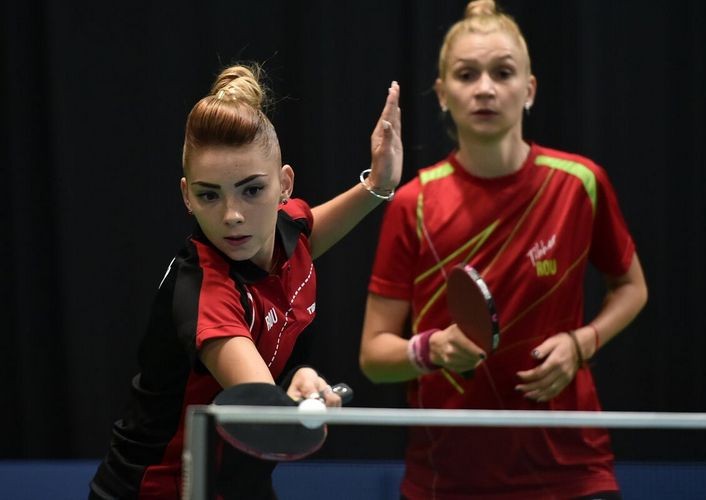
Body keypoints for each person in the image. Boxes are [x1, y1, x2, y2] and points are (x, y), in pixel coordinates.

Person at [359, 1, 648, 498]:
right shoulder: (414, 203)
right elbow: (373, 354)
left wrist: (583, 343)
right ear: (443, 94)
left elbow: (632, 287)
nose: (485, 88)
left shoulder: (579, 184)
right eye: (467, 75)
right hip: (447, 478)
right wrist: (431, 349)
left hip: (572, 471)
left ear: (529, 89)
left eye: (503, 72)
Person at [89, 64, 401, 499]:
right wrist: (297, 396)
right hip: (164, 489)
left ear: (284, 185)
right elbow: (263, 408)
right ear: (186, 196)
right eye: (209, 195)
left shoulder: (287, 230)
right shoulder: (204, 291)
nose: (232, 215)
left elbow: (310, 233)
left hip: (238, 484)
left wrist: (380, 183)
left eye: (252, 190)